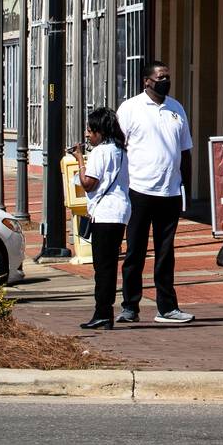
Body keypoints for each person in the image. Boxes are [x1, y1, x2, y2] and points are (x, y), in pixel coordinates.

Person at [116, 60, 195, 325]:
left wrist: (187, 186)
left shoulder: (177, 109)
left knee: (165, 253)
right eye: (161, 77)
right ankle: (130, 306)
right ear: (146, 81)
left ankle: (167, 307)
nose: (166, 81)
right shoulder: (130, 109)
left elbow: (185, 151)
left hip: (170, 192)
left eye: (168, 77)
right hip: (139, 190)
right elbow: (118, 149)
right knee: (135, 252)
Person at [73, 107, 132, 331]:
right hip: (120, 211)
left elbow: (89, 182)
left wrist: (80, 159)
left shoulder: (100, 152)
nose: (87, 135)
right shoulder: (120, 150)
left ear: (99, 130)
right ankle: (104, 312)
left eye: (90, 130)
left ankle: (103, 313)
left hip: (106, 213)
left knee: (103, 266)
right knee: (107, 264)